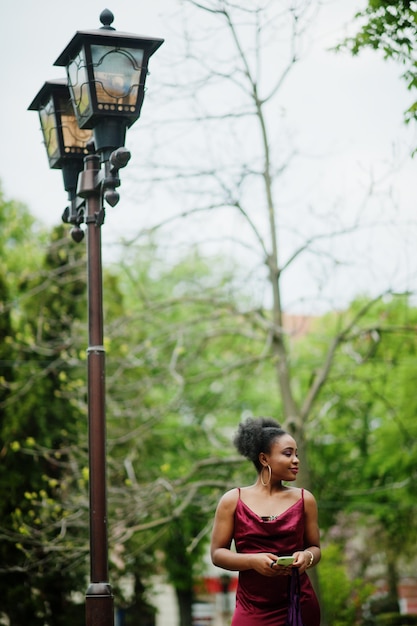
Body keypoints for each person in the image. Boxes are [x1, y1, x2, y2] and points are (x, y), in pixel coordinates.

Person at [210, 417, 321, 626]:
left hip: (299, 605)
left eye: (296, 454)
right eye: (288, 454)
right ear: (264, 459)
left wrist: (307, 557)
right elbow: (217, 555)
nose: (296, 460)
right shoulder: (232, 500)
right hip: (252, 608)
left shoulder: (305, 499)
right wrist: (252, 561)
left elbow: (315, 548)